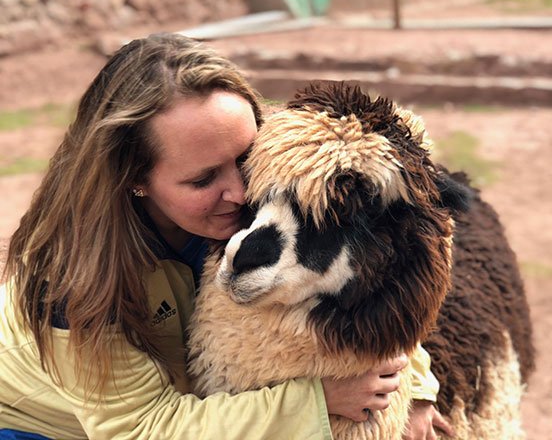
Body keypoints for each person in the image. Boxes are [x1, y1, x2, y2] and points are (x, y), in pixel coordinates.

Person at [0, 33, 453, 440]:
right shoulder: (73, 284)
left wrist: (414, 389)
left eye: (245, 157)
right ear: (133, 179)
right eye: (202, 180)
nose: (239, 193)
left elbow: (374, 272)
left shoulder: (250, 196)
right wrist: (318, 402)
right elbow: (141, 428)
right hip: (43, 423)